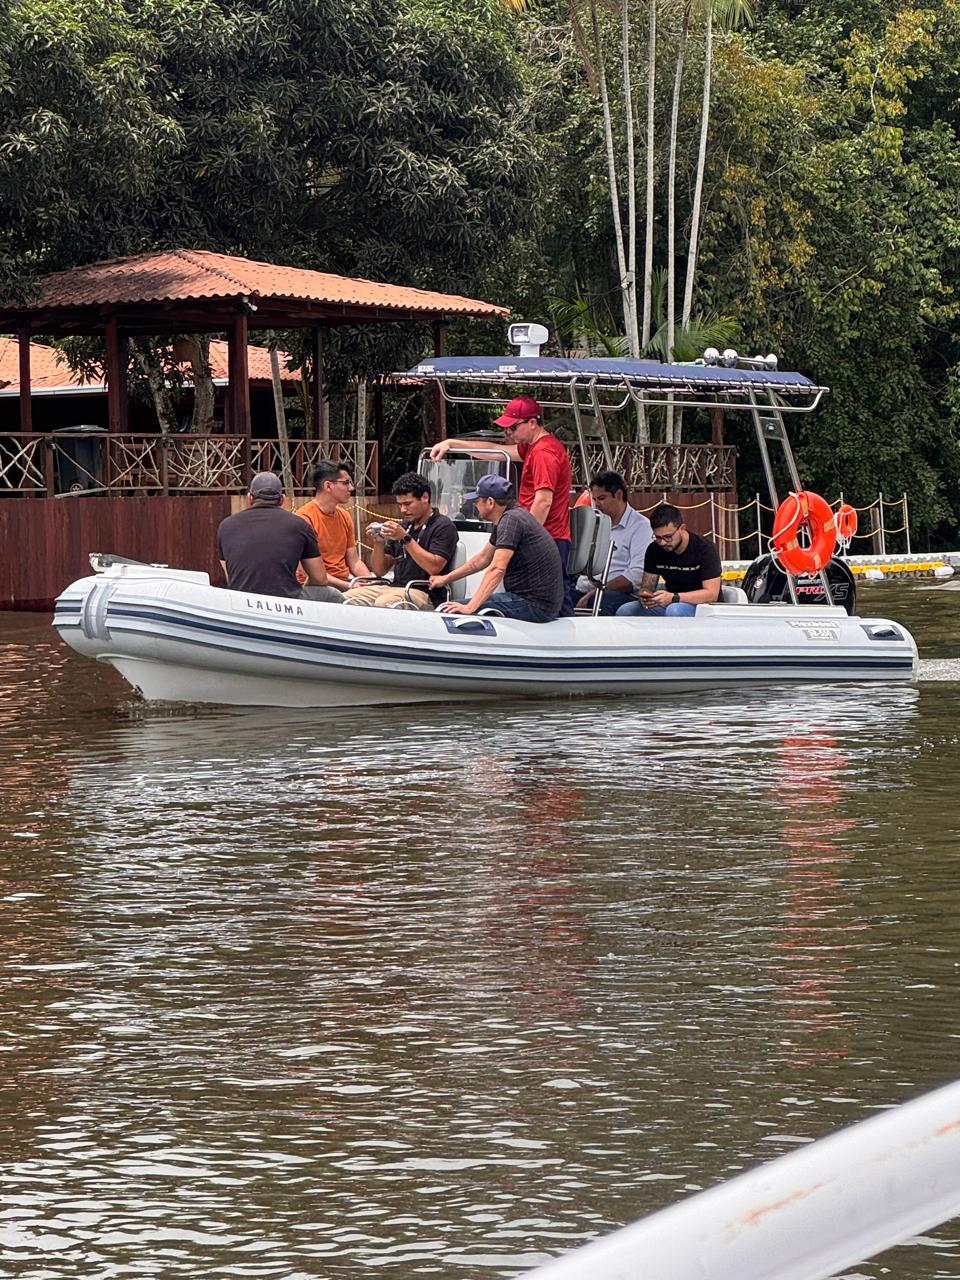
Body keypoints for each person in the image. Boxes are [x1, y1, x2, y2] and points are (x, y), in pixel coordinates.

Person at [428, 394, 573, 571]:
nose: (508, 433)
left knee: (544, 596)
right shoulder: (532, 447)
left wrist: (523, 538)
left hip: (546, 540)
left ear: (533, 423)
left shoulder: (544, 452)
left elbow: (543, 502)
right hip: (543, 537)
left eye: (512, 427)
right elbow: (496, 451)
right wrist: (453, 443)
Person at [428, 474, 563, 623]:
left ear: (490, 502)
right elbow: (482, 559)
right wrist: (445, 579)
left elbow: (497, 569)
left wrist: (470, 607)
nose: (475, 505)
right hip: (539, 602)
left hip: (534, 605)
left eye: (477, 501)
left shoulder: (510, 521)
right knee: (464, 604)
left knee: (448, 610)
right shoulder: (512, 517)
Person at [344, 472, 458, 610]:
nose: (403, 510)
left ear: (425, 497)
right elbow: (379, 571)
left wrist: (405, 538)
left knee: (385, 602)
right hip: (395, 587)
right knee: (347, 597)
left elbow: (434, 567)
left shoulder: (443, 526)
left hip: (426, 592)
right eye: (399, 505)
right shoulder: (404, 526)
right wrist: (378, 541)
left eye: (408, 504)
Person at [217, 471, 338, 600]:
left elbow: (230, 576)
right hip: (287, 602)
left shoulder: (226, 526)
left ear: (250, 498)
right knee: (330, 594)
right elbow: (320, 579)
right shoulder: (300, 526)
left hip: (242, 602)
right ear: (282, 499)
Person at [616, 503, 722, 617]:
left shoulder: (705, 549)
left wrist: (674, 597)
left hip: (702, 606)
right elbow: (647, 587)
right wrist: (645, 595)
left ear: (682, 529)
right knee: (626, 610)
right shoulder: (654, 550)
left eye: (668, 537)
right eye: (657, 537)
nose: (662, 543)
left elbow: (711, 594)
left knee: (675, 610)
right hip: (670, 601)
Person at [575, 471, 652, 615]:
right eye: (595, 499)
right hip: (586, 589)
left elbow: (635, 576)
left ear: (618, 495)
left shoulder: (641, 527)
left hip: (619, 594)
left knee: (601, 602)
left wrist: (597, 591)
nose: (597, 504)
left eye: (602, 498)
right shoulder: (596, 524)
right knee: (559, 599)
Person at [296, 460, 371, 596]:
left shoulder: (345, 516)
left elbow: (354, 562)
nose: (351, 488)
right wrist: (350, 586)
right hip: (315, 587)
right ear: (328, 486)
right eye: (346, 483)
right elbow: (310, 573)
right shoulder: (304, 519)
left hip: (345, 584)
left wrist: (370, 582)